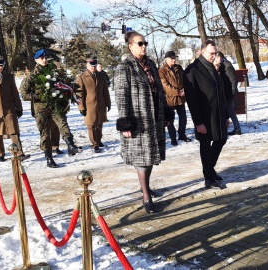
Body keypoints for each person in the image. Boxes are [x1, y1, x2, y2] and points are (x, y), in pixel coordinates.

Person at [115, 31, 167, 214]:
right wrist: (125, 123)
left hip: (154, 117)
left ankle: (146, 187)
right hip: (138, 119)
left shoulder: (151, 64)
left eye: (145, 43)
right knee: (141, 159)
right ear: (130, 46)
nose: (144, 46)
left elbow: (159, 89)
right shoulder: (124, 67)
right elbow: (121, 97)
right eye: (139, 43)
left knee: (151, 155)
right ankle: (146, 196)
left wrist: (165, 112)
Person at [20, 49, 81, 168]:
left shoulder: (54, 73)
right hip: (41, 109)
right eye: (42, 58)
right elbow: (24, 94)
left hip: (54, 105)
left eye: (46, 57)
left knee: (63, 123)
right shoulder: (32, 76)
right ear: (36, 60)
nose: (45, 60)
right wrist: (40, 95)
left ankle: (70, 144)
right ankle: (49, 158)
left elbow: (62, 84)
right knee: (45, 133)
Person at [184, 40, 229, 189]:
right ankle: (208, 177)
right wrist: (198, 122)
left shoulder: (213, 68)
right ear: (202, 52)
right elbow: (192, 99)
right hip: (204, 116)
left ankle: (210, 169)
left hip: (218, 114)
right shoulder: (193, 70)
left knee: (221, 140)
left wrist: (226, 115)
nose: (214, 56)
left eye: (215, 53)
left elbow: (221, 94)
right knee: (205, 144)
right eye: (211, 53)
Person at [0, 55, 29, 162]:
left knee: (14, 131)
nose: (0, 68)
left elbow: (15, 94)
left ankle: (19, 153)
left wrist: (19, 108)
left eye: (2, 65)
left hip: (9, 109)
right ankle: (1, 154)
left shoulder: (9, 77)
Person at [77, 58, 112, 153]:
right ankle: (94, 144)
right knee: (91, 125)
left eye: (94, 66)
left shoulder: (101, 76)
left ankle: (99, 140)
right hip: (89, 105)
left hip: (101, 103)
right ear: (87, 66)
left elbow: (105, 90)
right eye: (91, 66)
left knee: (99, 123)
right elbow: (80, 94)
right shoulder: (82, 77)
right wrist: (81, 107)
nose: (93, 68)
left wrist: (108, 103)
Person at [158, 51, 191, 145]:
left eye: (174, 58)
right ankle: (173, 139)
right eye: (171, 58)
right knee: (170, 121)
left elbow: (185, 79)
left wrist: (185, 89)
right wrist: (177, 92)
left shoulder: (179, 68)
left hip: (181, 98)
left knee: (183, 118)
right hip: (169, 99)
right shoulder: (162, 71)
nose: (174, 59)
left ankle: (182, 134)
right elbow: (165, 86)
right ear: (166, 59)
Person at [215, 51, 241, 135]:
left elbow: (234, 81)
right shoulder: (222, 65)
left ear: (220, 57)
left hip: (229, 92)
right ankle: (235, 128)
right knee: (228, 111)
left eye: (216, 57)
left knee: (230, 111)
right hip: (225, 92)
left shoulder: (227, 66)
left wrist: (232, 92)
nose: (215, 59)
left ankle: (237, 129)